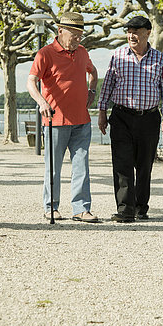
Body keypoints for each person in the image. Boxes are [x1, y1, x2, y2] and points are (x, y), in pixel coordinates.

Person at [97, 15, 163, 223]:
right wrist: (102, 112)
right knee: (122, 164)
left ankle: (141, 207)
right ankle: (125, 210)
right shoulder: (118, 55)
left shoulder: (159, 59)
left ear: (147, 33)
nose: (131, 35)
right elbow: (107, 86)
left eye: (136, 31)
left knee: (144, 166)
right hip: (121, 116)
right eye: (129, 31)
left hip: (149, 118)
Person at [27, 12, 99, 223]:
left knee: (81, 167)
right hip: (55, 121)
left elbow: (93, 72)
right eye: (74, 35)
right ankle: (51, 207)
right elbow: (31, 82)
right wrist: (42, 102)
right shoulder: (45, 54)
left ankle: (81, 209)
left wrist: (92, 92)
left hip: (82, 121)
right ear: (60, 31)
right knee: (54, 167)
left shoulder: (83, 52)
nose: (78, 39)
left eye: (80, 35)